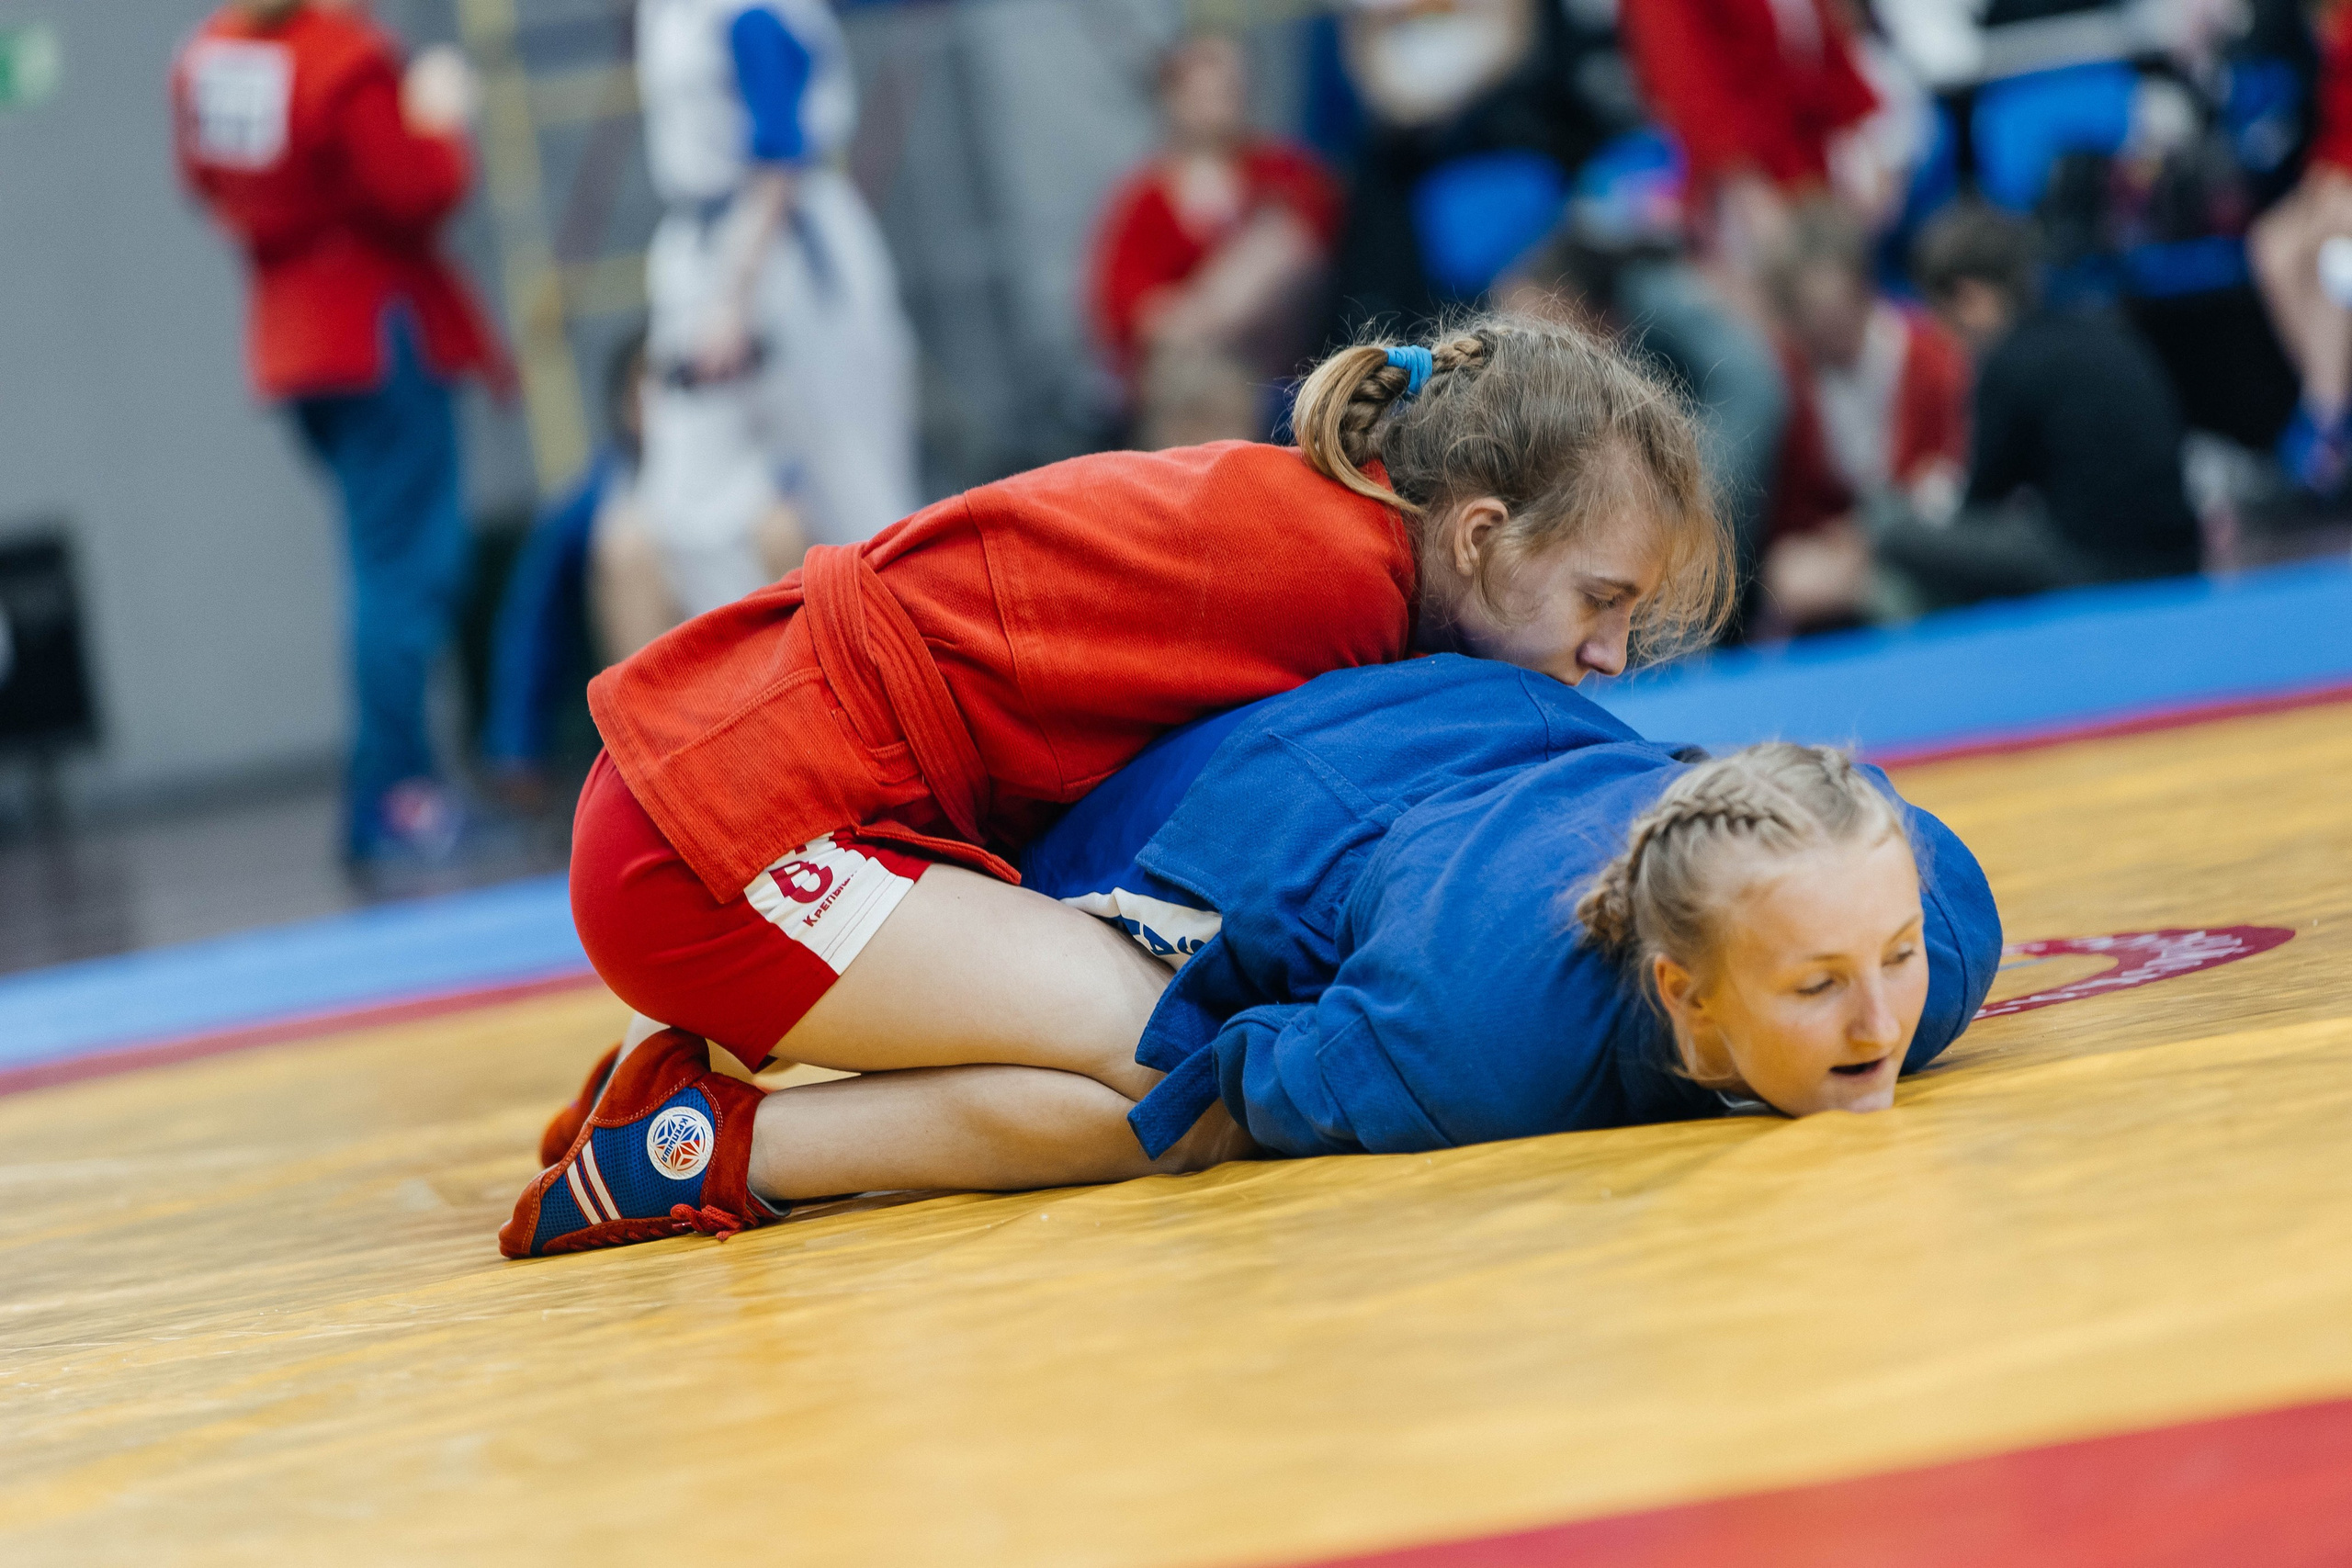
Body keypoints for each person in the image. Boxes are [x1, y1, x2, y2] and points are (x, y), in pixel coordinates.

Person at [499, 314, 1736, 1256]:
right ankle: (691, 1146)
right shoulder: (1339, 586)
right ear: (1475, 537)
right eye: (1602, 601)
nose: (1610, 657)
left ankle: (675, 1098)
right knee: (1180, 1085)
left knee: (1167, 1054)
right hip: (712, 831)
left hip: (735, 795)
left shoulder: (1332, 541)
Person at [501, 654, 1999, 1256]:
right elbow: (1228, 1082)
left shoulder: (1932, 915)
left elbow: (1869, 885)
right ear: (1683, 990)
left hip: (1461, 728)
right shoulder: (1473, 1041)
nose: (1879, 1014)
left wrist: (1863, 951)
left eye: (1886, 962)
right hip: (1223, 812)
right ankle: (721, 1146)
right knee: (1161, 1106)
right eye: (1816, 985)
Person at [172, 0, 508, 870]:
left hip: (294, 342)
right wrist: (436, 116)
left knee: (381, 565)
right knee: (408, 569)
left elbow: (204, 185)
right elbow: (419, 193)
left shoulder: (204, 60)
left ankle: (385, 790)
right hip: (375, 331)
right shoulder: (344, 60)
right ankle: (400, 795)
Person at [635, 0, 913, 615]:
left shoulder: (746, 10)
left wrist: (733, 297)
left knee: (859, 500)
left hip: (788, 250)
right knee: (685, 506)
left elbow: (779, 146)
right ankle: (753, 693)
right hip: (700, 245)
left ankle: (915, 689)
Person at [1892, 204, 2202, 607]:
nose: (1950, 343)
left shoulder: (2007, 364)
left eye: (1944, 322)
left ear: (1969, 298)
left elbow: (1979, 503)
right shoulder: (2103, 327)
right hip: (2181, 559)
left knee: (1890, 528)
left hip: (2098, 571)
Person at [1090, 34, 1341, 449]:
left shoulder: (1283, 172)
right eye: (1203, 89)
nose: (1220, 100)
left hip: (1272, 361)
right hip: (1178, 377)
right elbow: (1128, 311)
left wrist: (1205, 313)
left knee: (1270, 255)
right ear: (1173, 96)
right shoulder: (1142, 200)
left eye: (1229, 87)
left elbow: (1298, 246)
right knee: (1190, 381)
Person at [1758, 198, 1970, 633]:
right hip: (1835, 556)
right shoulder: (1789, 375)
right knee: (1787, 580)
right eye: (1810, 319)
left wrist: (1870, 536)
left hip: (1924, 540)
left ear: (1864, 290)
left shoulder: (1932, 359)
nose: (1827, 331)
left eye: (1836, 312)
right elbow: (1793, 508)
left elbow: (1952, 480)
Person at [2249, 0, 2352, 493]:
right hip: (2328, 175)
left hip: (2346, 190)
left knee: (2337, 259)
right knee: (2272, 247)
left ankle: (2326, 423)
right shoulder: (2305, 15)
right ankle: (2329, 403)